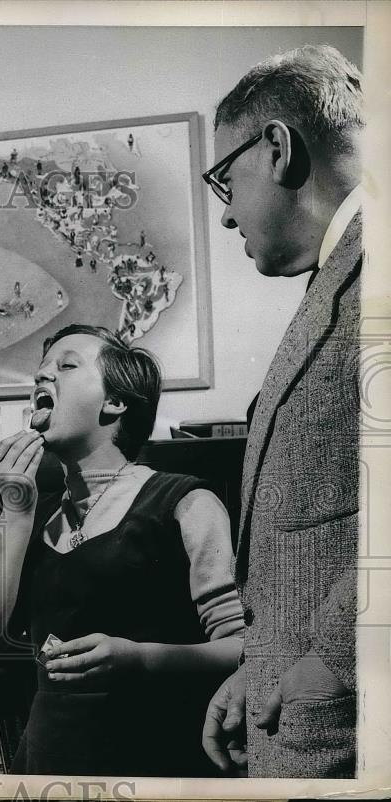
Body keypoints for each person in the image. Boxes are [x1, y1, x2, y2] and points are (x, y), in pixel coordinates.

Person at [0, 324, 243, 776]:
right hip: (47, 766)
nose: (42, 377)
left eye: (66, 366)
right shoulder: (35, 516)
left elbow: (241, 648)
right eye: (40, 371)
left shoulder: (186, 503)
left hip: (153, 762)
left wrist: (139, 658)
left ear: (115, 402)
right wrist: (15, 513)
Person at [200, 44, 362, 779]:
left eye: (223, 181)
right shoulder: (341, 279)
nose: (228, 216)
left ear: (276, 148)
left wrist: (327, 665)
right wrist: (261, 667)